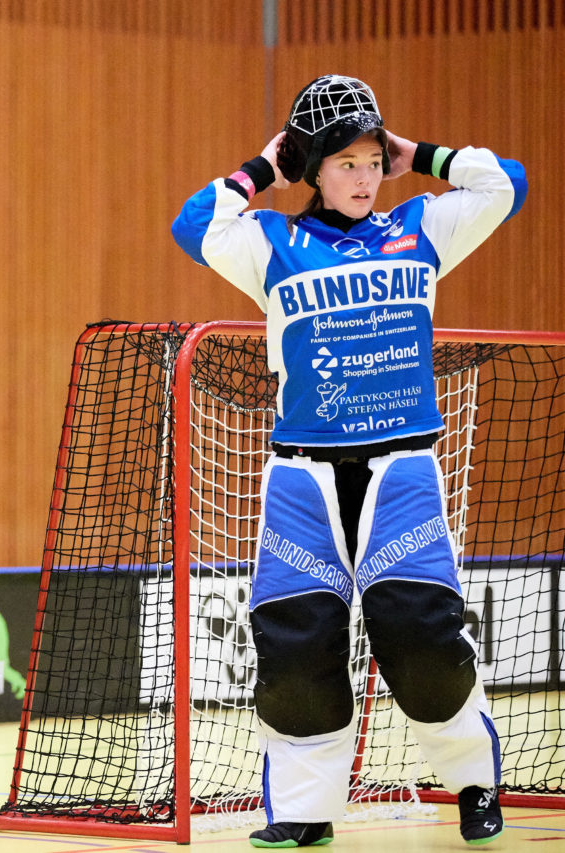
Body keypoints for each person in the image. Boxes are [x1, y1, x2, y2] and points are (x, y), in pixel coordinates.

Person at [171, 74, 526, 848]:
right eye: (346, 162)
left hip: (402, 467)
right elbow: (193, 220)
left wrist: (421, 154)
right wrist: (264, 168)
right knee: (295, 647)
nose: (364, 177)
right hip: (303, 475)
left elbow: (505, 184)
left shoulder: (423, 226)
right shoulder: (273, 243)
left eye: (373, 160)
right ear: (314, 168)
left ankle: (472, 784)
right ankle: (302, 809)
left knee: (423, 637)